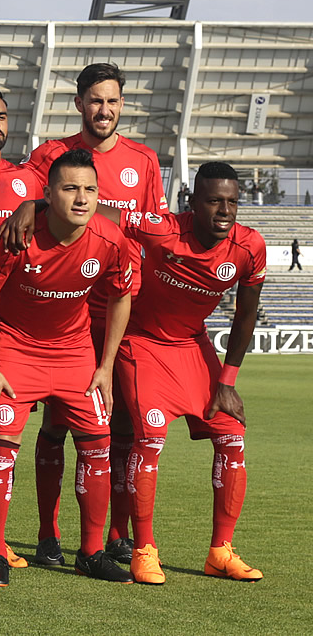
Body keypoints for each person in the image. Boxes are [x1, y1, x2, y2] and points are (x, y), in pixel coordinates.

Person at [0, 63, 169, 566]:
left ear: (122, 105)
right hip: (56, 312)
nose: (104, 110)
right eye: (95, 100)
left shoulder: (145, 161)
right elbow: (19, 191)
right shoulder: (53, 153)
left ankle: (112, 537)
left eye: (112, 101)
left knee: (119, 429)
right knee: (52, 427)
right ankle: (47, 536)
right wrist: (28, 205)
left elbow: (150, 228)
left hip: (113, 305)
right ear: (79, 104)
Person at [0, 149, 133, 587]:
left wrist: (105, 364)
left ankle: (91, 552)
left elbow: (121, 295)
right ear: (47, 194)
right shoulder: (15, 236)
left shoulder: (110, 238)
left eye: (90, 189)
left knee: (98, 446)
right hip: (15, 350)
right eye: (69, 188)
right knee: (1, 450)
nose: (81, 198)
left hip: (75, 352)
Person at [107, 162, 266, 584]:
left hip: (193, 347)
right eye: (214, 201)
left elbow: (246, 316)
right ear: (192, 202)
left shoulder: (249, 247)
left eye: (233, 202)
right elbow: (103, 214)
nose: (225, 211)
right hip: (141, 343)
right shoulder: (161, 228)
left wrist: (227, 381)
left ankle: (221, 550)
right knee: (151, 439)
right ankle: (143, 549)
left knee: (232, 433)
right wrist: (36, 207)